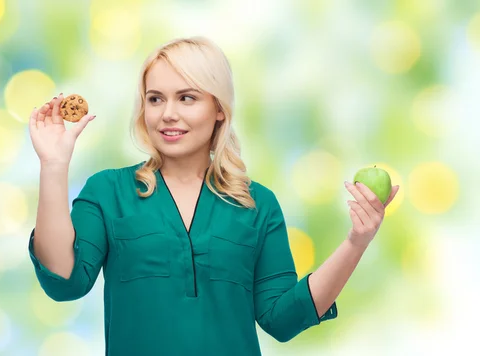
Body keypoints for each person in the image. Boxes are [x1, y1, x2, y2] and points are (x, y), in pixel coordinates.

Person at [27, 36, 399, 356]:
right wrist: (54, 166)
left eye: (187, 98)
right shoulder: (108, 191)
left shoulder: (257, 205)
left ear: (218, 108)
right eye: (155, 99)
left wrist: (356, 241)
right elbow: (65, 281)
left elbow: (282, 318)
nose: (167, 114)